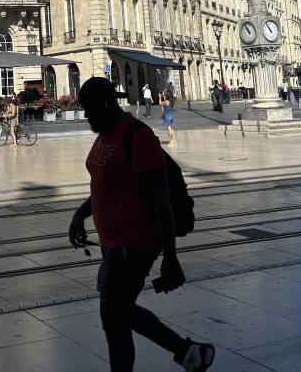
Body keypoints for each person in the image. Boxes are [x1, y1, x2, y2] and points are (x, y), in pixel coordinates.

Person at [68, 77, 214, 372]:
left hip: (134, 244)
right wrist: (80, 214)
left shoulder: (137, 136)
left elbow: (161, 199)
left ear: (107, 105)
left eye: (90, 109)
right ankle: (188, 352)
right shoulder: (105, 134)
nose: (86, 115)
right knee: (120, 310)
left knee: (114, 317)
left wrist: (171, 257)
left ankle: (184, 353)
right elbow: (106, 185)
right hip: (113, 243)